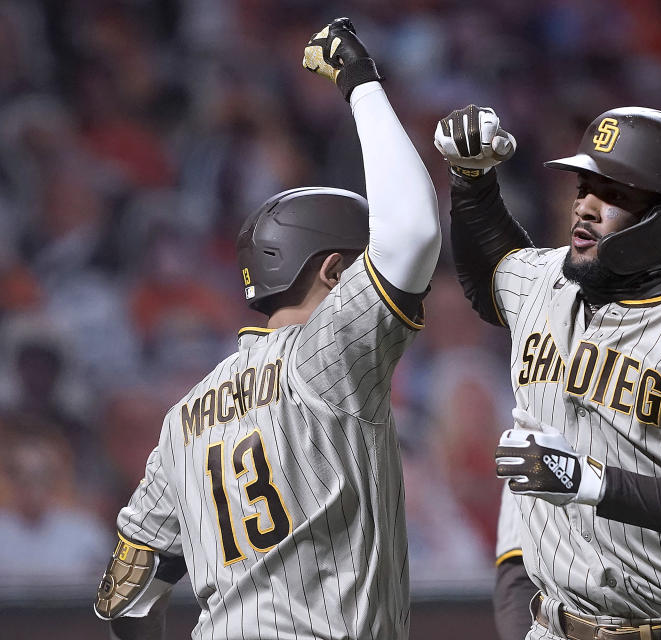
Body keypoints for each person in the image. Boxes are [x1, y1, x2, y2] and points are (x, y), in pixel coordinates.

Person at [94, 18, 440, 640]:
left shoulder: (184, 416)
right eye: (359, 268)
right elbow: (413, 231)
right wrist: (361, 81)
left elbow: (126, 597)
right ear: (335, 272)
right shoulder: (329, 355)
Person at [434, 105, 661, 640]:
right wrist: (472, 179)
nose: (585, 208)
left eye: (615, 194)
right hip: (557, 626)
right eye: (584, 186)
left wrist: (591, 482)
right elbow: (493, 271)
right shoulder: (546, 282)